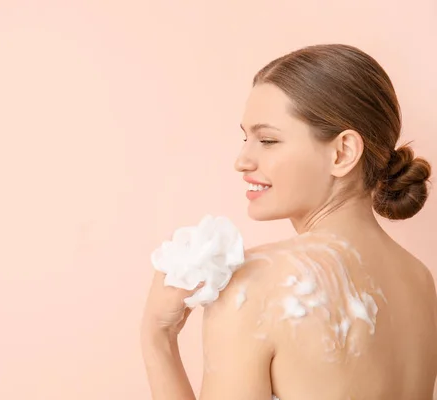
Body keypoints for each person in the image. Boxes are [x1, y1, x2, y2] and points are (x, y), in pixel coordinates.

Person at [140, 43, 437, 400]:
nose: (242, 159)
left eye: (267, 140)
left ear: (342, 153)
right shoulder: (420, 280)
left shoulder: (255, 284)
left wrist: (158, 337)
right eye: (245, 138)